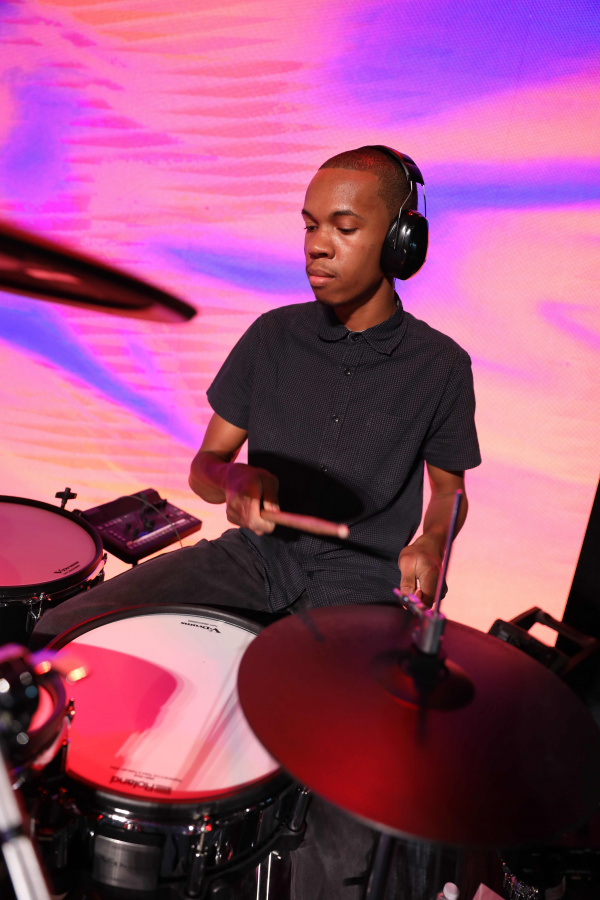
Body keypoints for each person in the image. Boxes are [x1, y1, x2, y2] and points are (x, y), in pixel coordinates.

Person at [31, 146, 481, 898]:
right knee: (55, 639)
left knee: (343, 820)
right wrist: (235, 479)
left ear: (402, 241)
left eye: (343, 227)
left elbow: (450, 490)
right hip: (255, 557)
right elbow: (205, 466)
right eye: (309, 225)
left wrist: (433, 541)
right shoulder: (272, 336)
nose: (317, 245)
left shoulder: (441, 366)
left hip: (360, 593)